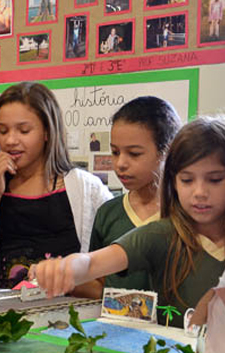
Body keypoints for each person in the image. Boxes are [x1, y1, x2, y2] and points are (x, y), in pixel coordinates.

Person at [31, 116, 225, 326]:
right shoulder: (162, 234)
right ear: (173, 181)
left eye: (214, 179)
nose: (200, 192)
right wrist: (65, 268)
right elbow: (93, 262)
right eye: (187, 180)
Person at [0, 82, 112, 288]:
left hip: (71, 312)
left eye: (24, 131)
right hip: (10, 314)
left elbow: (112, 255)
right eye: (3, 131)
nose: (10, 140)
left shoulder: (85, 187)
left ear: (47, 132)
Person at [75, 97, 182, 299]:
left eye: (134, 154)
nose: (120, 163)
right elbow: (100, 286)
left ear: (167, 151)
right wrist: (63, 277)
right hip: (117, 328)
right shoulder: (108, 214)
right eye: (115, 152)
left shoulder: (187, 215)